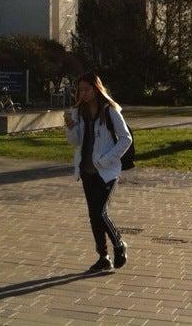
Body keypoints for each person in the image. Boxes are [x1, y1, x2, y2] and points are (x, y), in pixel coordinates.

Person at [63, 71, 133, 272]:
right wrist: (70, 127)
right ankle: (103, 257)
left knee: (100, 212)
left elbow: (125, 139)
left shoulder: (110, 110)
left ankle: (119, 244)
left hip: (107, 171)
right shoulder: (78, 112)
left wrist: (106, 160)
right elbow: (75, 141)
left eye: (87, 89)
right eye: (80, 90)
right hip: (86, 171)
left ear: (96, 88)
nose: (83, 93)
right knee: (93, 216)